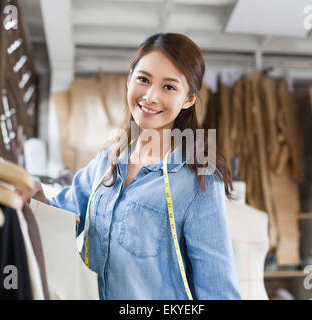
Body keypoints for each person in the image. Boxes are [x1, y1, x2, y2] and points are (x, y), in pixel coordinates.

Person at [22, 33, 241, 300]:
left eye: (169, 87)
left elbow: (218, 291)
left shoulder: (197, 181)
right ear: (129, 79)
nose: (150, 96)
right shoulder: (108, 161)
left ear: (189, 99)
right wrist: (31, 192)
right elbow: (63, 220)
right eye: (143, 79)